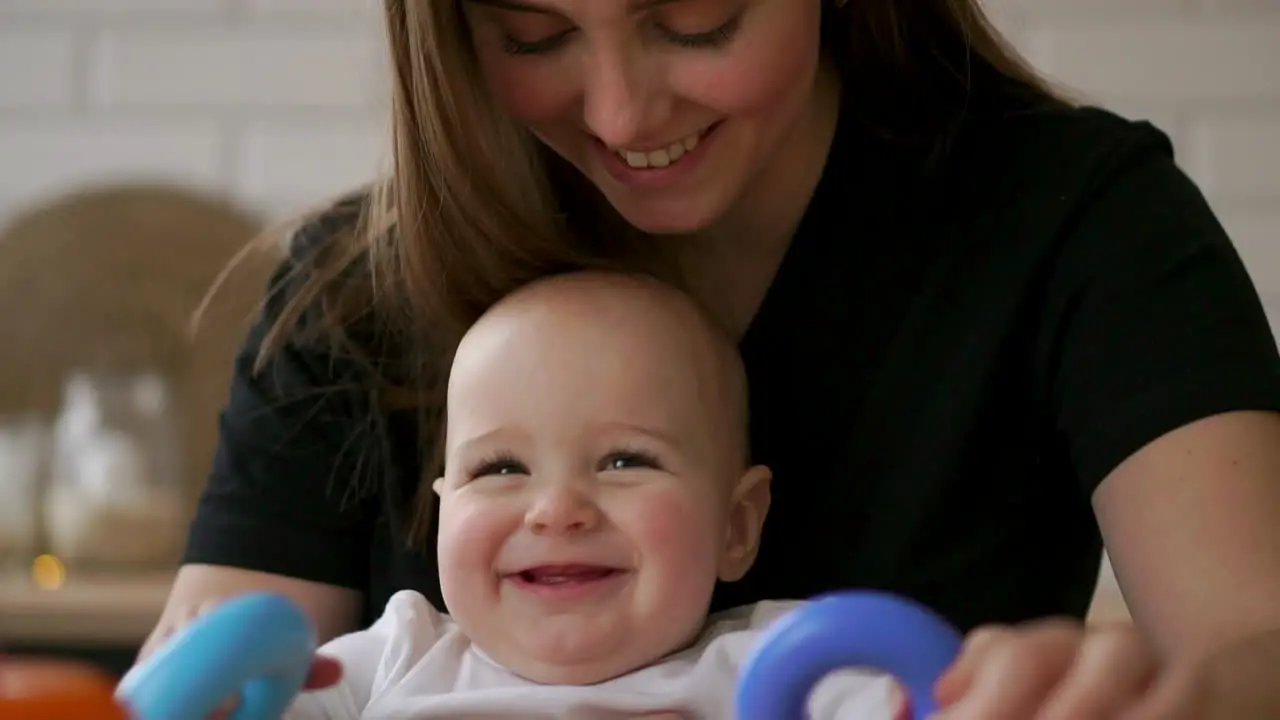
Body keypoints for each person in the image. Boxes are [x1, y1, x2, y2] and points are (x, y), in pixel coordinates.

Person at [144, 0, 1280, 716]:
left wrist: (1153, 697)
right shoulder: (352, 293)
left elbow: (1255, 646)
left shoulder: (1071, 223)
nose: (621, 110)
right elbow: (209, 673)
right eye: (532, 34)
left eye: (693, 20)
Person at [282, 270, 894, 719]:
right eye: (499, 467)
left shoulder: (776, 664)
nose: (555, 511)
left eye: (624, 461)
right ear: (445, 510)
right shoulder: (396, 656)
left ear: (735, 526)